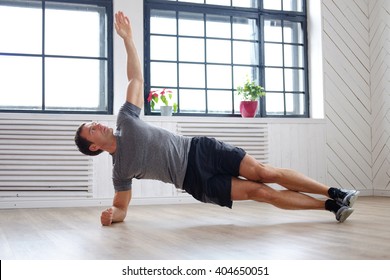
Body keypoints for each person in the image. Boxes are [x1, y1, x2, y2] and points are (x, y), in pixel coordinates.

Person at [75, 11, 360, 226]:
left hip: (201, 150)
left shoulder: (125, 118)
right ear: (94, 147)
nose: (97, 124)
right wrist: (113, 215)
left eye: (92, 122)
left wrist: (128, 39)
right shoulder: (120, 170)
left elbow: (136, 77)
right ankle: (330, 207)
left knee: (265, 173)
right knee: (262, 193)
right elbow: (122, 207)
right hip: (196, 182)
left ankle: (335, 191)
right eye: (91, 130)